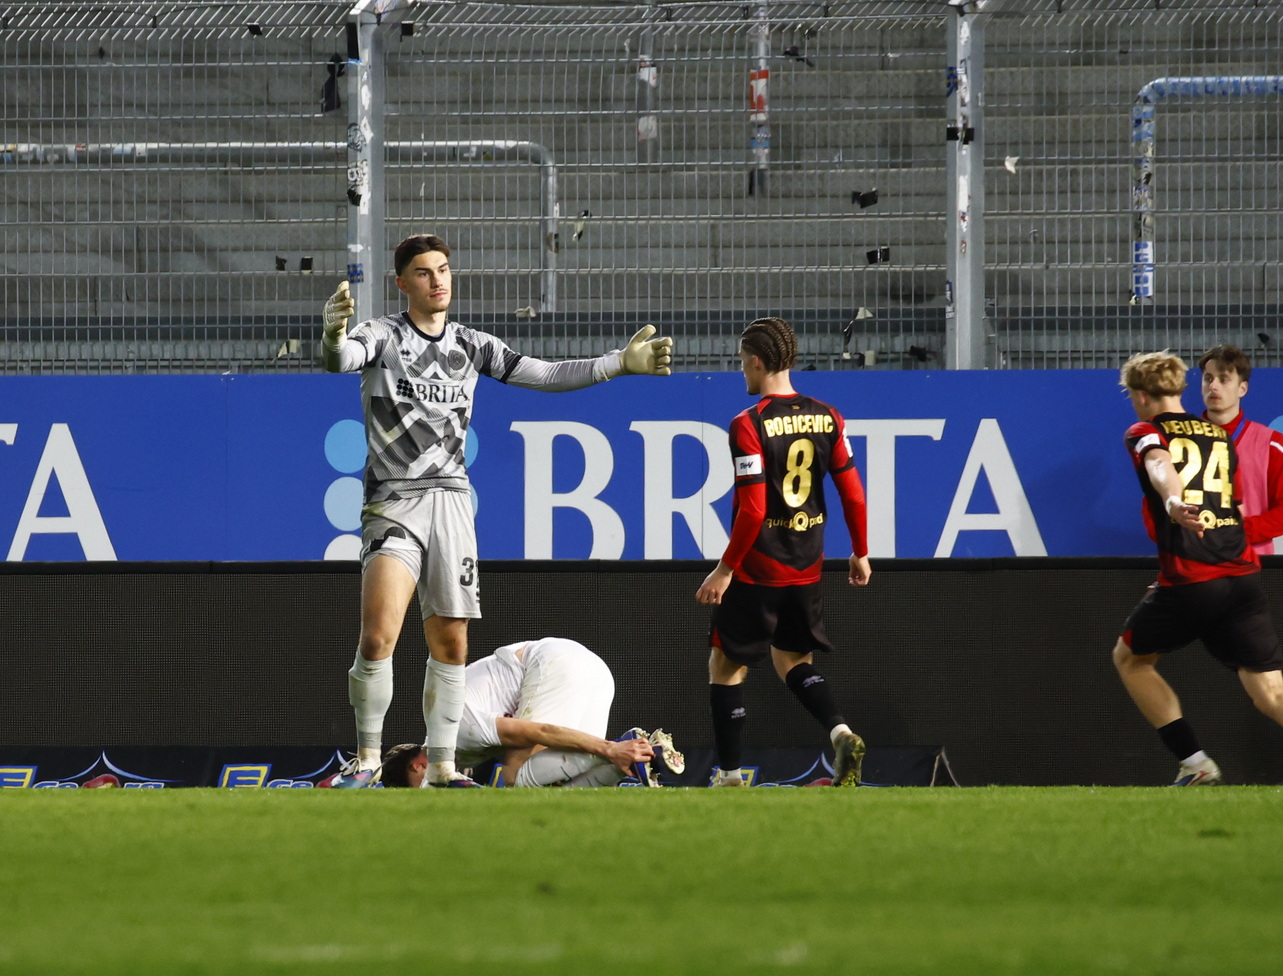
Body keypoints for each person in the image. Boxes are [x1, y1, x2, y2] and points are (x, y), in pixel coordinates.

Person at [317, 234, 673, 789]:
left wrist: (619, 364)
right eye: (423, 272)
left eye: (443, 269)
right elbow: (341, 360)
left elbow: (546, 375)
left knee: (452, 643)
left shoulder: (472, 345)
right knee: (378, 637)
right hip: (394, 502)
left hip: (453, 504)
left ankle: (441, 767)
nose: (437, 280)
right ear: (402, 283)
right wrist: (333, 333)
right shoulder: (382, 335)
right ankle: (365, 760)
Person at [1114, 350, 1283, 787]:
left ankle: (1194, 762)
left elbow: (1159, 463)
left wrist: (1172, 501)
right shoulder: (1219, 437)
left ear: (1139, 396)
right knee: (1272, 693)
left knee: (1130, 659)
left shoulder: (1145, 430)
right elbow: (1230, 508)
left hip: (1192, 579)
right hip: (1242, 579)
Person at [696, 316, 871, 788]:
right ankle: (841, 733)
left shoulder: (747, 423)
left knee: (725, 665)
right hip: (806, 565)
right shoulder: (829, 416)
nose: (741, 371)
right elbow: (853, 495)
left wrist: (724, 570)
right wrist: (860, 551)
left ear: (756, 362)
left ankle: (730, 776)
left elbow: (754, 509)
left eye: (742, 363)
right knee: (793, 662)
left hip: (758, 568)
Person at [372, 637, 685, 789]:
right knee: (563, 788)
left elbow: (541, 732)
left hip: (554, 663)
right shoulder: (462, 751)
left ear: (418, 766)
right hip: (595, 670)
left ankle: (623, 745)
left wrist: (609, 747)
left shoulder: (454, 730)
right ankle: (639, 759)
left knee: (515, 781)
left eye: (423, 787)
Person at [1197, 345, 1283, 554]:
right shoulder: (1181, 442)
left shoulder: (1271, 443)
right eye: (1208, 378)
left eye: (1224, 379)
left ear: (1242, 389)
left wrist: (1238, 532)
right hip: (1196, 562)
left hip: (1252, 562)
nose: (1213, 386)